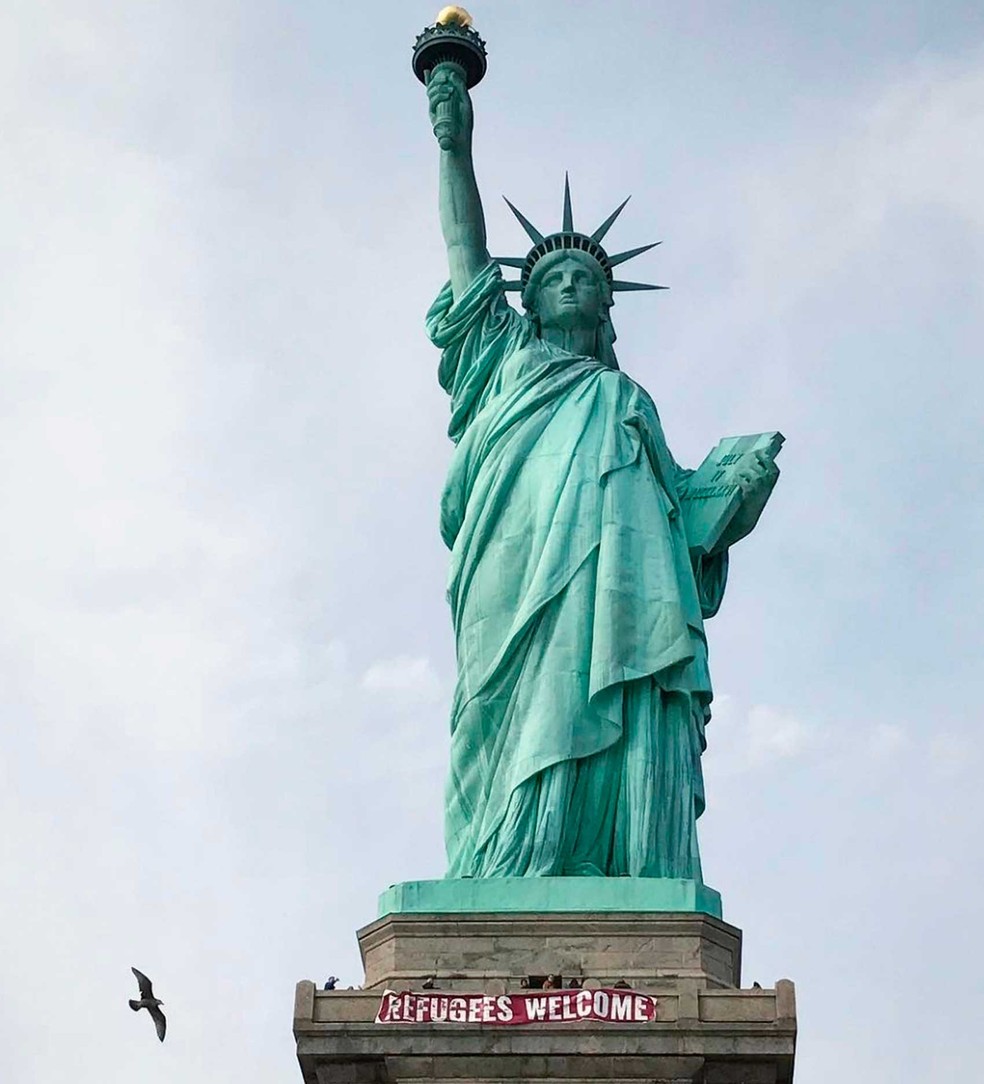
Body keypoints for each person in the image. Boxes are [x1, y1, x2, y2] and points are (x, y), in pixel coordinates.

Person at [424, 65, 778, 881]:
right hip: (516, 573)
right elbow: (464, 251)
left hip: (625, 586)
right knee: (508, 710)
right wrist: (455, 144)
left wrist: (738, 488)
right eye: (553, 280)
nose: (573, 283)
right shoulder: (504, 359)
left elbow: (680, 516)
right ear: (533, 303)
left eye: (587, 277)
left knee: (625, 687)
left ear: (605, 304)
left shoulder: (626, 396)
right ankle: (509, 860)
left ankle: (618, 858)